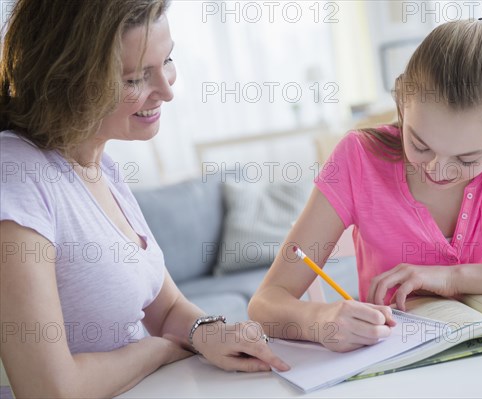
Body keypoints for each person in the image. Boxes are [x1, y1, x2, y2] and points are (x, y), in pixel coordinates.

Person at [248, 19, 482, 353]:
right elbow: (266, 302)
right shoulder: (358, 158)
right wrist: (320, 319)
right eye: (420, 144)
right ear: (402, 102)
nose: (438, 170)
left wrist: (455, 278)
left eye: (467, 158)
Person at [0, 1, 289, 397]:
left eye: (167, 60)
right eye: (136, 79)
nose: (168, 91)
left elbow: (167, 308)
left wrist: (212, 333)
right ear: (66, 80)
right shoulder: (16, 174)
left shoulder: (104, 167)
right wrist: (157, 351)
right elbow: (50, 389)